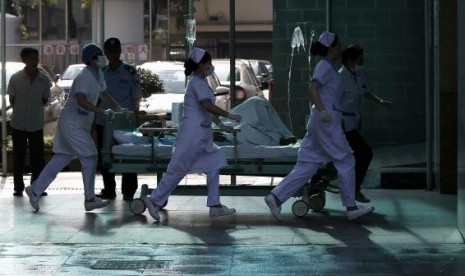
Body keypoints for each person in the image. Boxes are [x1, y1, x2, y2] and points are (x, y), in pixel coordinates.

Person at [264, 32, 375, 221]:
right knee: (346, 160)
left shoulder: (329, 67)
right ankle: (351, 206)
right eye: (338, 45)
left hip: (324, 120)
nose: (340, 48)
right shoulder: (324, 66)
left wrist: (329, 114)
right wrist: (324, 111)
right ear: (332, 48)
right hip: (325, 121)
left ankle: (275, 197)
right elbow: (313, 88)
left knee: (308, 164)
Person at [143, 47, 242, 221]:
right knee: (177, 170)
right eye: (209, 62)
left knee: (214, 163)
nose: (211, 65)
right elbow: (207, 106)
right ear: (201, 65)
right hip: (192, 136)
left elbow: (206, 111)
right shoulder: (197, 83)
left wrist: (220, 124)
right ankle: (153, 200)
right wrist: (229, 115)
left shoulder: (201, 82)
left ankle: (215, 205)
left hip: (201, 136)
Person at [24, 43, 125, 212]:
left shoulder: (98, 73)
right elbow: (81, 101)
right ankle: (90, 199)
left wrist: (118, 107)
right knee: (91, 156)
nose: (103, 58)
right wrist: (102, 111)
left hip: (77, 123)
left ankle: (34, 190)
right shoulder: (85, 76)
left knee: (61, 158)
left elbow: (103, 93)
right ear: (91, 60)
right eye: (99, 56)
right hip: (72, 123)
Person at [339, 45, 392, 203]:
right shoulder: (340, 77)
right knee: (365, 153)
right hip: (343, 125)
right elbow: (333, 101)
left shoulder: (358, 73)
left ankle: (351, 189)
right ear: (351, 59)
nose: (363, 58)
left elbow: (365, 92)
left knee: (357, 156)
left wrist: (381, 102)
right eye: (360, 56)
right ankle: (353, 190)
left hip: (353, 123)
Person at [94, 37, 142, 201]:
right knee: (105, 156)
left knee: (128, 154)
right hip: (104, 121)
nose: (113, 55)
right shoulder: (101, 73)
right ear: (106, 53)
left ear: (119, 52)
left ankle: (128, 190)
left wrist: (135, 120)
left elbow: (136, 98)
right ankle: (109, 189)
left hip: (124, 122)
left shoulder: (130, 72)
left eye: (116, 52)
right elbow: (96, 99)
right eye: (110, 52)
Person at [7, 47, 51, 197]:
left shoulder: (44, 79)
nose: (34, 61)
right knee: (18, 157)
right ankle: (18, 188)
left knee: (37, 157)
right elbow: (12, 100)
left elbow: (45, 99)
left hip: (36, 123)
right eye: (31, 58)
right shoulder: (15, 78)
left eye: (36, 58)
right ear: (24, 60)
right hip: (18, 123)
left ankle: (37, 187)